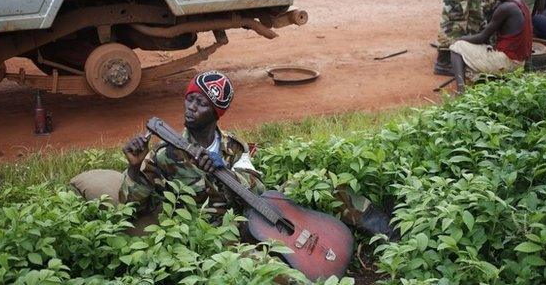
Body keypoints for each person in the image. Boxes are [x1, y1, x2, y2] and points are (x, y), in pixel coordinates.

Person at [118, 70, 398, 239]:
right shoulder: (166, 154)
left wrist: (224, 170)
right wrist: (134, 169)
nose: (191, 107)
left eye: (201, 103)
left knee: (323, 183)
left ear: (216, 114)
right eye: (190, 99)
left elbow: (258, 186)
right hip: (221, 232)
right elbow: (133, 208)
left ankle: (390, 233)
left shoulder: (234, 146)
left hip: (258, 211)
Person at [449, 0, 533, 93]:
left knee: (457, 47)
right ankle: (481, 80)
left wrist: (460, 39)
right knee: (477, 49)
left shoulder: (505, 7)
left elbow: (483, 37)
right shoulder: (520, 2)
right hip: (520, 61)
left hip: (508, 62)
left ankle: (460, 92)